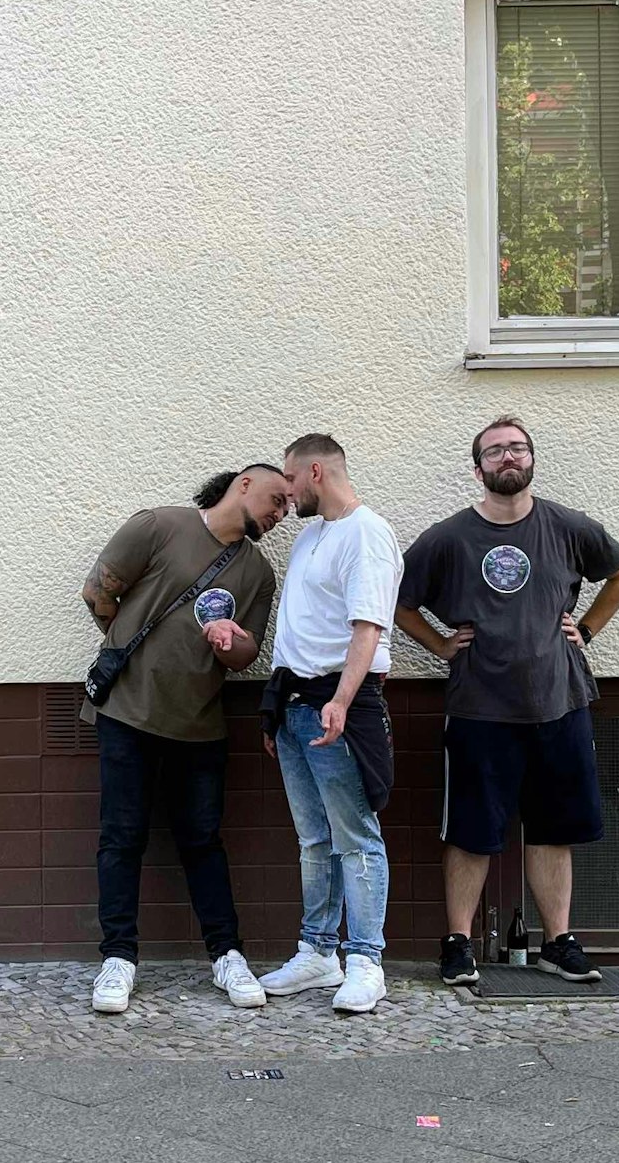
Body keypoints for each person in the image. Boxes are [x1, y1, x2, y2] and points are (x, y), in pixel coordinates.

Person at [395, 416, 619, 988]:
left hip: (560, 701)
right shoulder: (448, 538)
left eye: (518, 448)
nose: (508, 457)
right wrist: (441, 646)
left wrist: (589, 629)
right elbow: (401, 604)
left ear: (531, 459)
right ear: (477, 467)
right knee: (472, 831)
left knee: (554, 829)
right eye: (496, 451)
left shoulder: (566, 526)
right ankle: (457, 943)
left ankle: (559, 943)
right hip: (480, 707)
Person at [80, 464, 290, 1016]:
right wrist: (133, 648)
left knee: (202, 841)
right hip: (127, 713)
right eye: (276, 499)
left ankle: (227, 955)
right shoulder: (159, 526)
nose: (281, 512)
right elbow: (98, 592)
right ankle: (119, 958)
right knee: (121, 838)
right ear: (243, 484)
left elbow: (245, 660)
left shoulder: (257, 574)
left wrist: (232, 644)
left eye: (289, 505)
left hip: (200, 725)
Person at [257, 433, 403, 1015]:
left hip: (335, 703)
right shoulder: (312, 536)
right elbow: (298, 628)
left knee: (356, 837)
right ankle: (319, 953)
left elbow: (368, 627)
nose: (286, 496)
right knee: (314, 840)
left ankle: (367, 962)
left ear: (314, 472)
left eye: (289, 483)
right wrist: (275, 710)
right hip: (293, 704)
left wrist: (340, 702)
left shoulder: (367, 533)